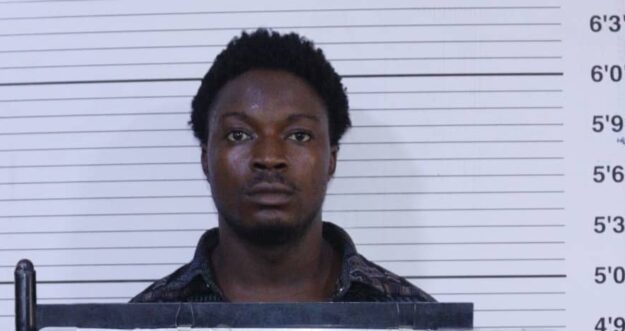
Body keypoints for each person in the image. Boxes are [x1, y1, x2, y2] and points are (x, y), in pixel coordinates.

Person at [132, 29, 433, 304]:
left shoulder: (414, 318)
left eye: (298, 135)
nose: (269, 157)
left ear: (331, 160)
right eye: (239, 135)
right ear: (205, 159)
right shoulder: (142, 324)